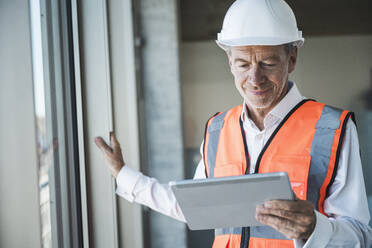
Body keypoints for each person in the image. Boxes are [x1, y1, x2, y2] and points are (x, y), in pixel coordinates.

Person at [95, 0, 372, 247]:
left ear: (292, 59)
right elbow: (193, 206)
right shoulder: (217, 129)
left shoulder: (332, 128)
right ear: (229, 62)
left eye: (267, 63)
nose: (255, 78)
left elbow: (360, 236)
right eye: (242, 64)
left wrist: (315, 228)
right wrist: (124, 175)